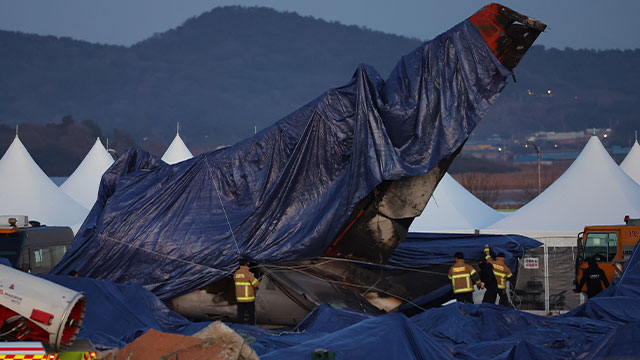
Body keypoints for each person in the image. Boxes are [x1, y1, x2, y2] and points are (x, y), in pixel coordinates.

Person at [234, 259, 260, 324]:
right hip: (248, 298)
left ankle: (240, 328)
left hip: (239, 298)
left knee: (240, 315)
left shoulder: (236, 273)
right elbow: (255, 284)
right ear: (247, 263)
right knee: (251, 315)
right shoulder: (248, 274)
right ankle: (251, 328)